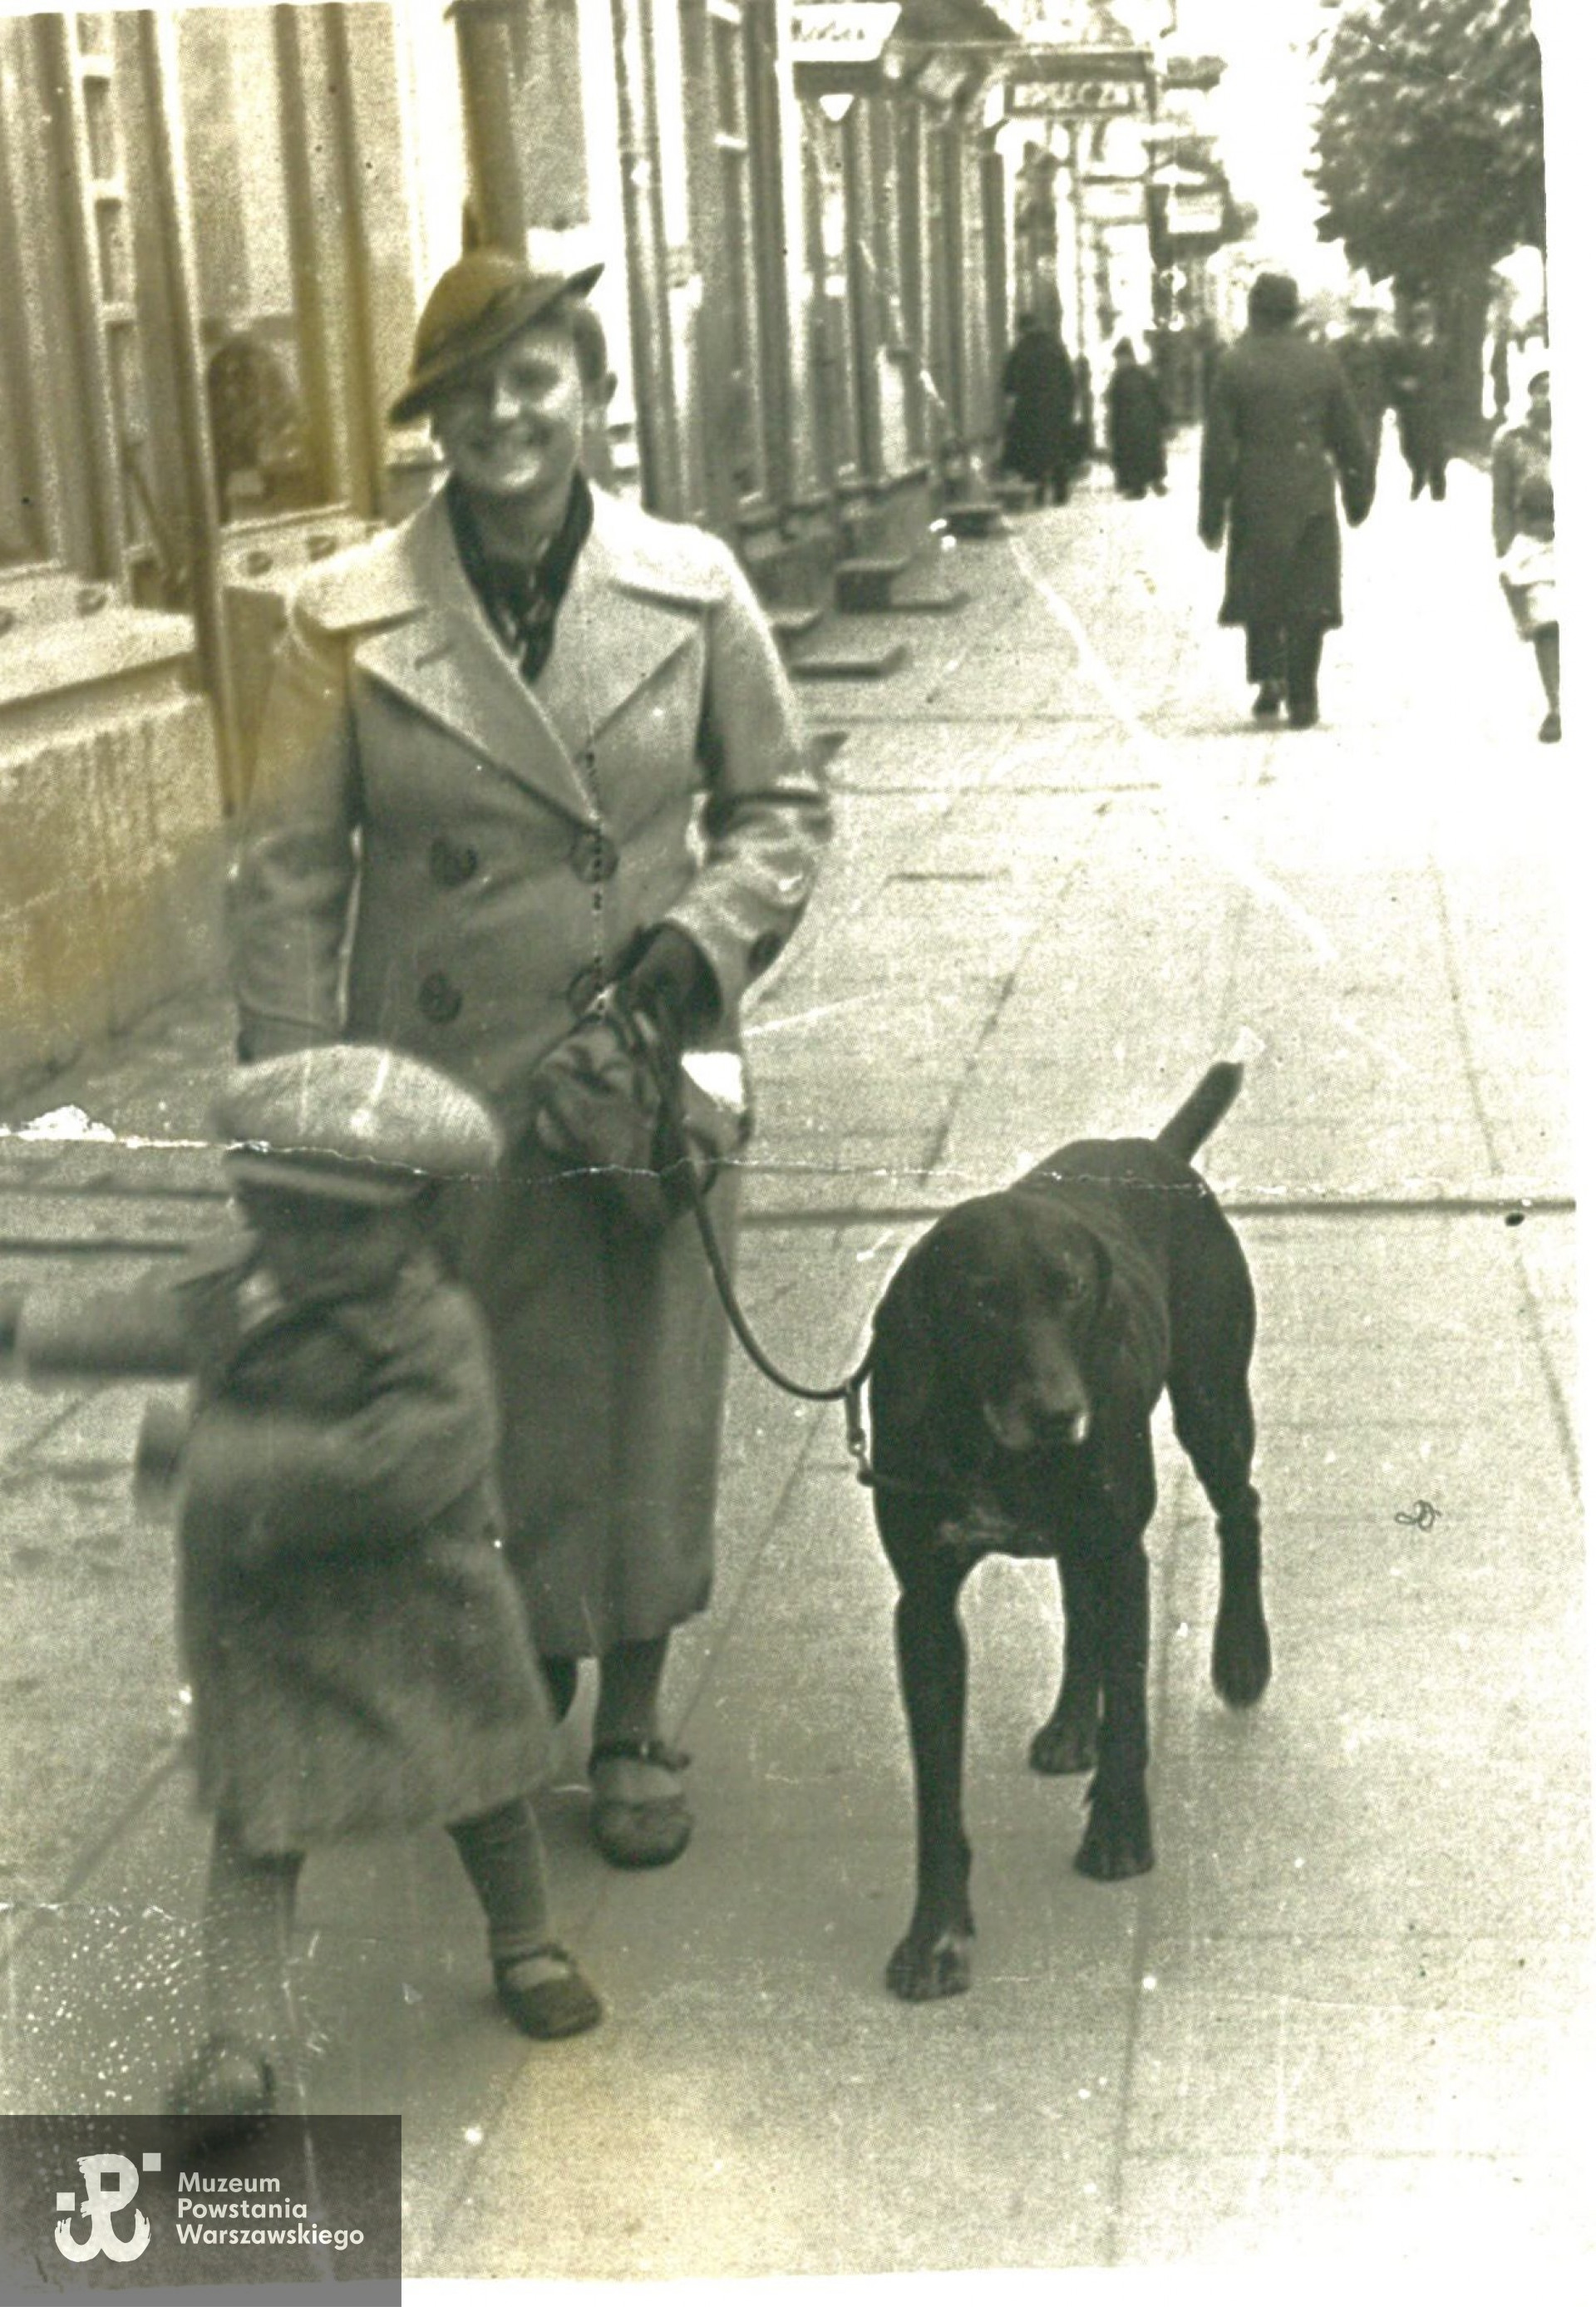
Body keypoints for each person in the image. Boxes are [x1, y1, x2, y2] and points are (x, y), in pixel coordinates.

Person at [228, 249, 831, 1874]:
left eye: (534, 378)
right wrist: (296, 1127)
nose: (503, 416)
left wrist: (702, 938)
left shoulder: (694, 584)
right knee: (471, 1406)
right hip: (438, 1097)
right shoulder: (340, 616)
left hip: (638, 1066)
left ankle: (632, 1706)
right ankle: (515, 1681)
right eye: (467, 393)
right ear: (435, 423)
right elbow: (286, 880)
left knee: (644, 1396)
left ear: (592, 395)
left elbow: (781, 809)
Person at [1, 1045, 603, 2135]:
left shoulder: (434, 1332)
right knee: (257, 1825)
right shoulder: (246, 1277)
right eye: (278, 1213)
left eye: (343, 1224)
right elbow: (157, 1318)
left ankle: (526, 1943)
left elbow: (398, 1468)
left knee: (482, 1789)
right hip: (270, 1622)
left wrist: (214, 1456)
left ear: (420, 1217)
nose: (308, 1247)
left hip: (422, 1612)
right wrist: (31, 1324)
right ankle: (239, 2046)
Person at [1199, 270, 1372, 731]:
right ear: (1294, 311)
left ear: (1254, 310)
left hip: (1255, 493)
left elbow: (1217, 447)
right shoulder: (1323, 362)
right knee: (1310, 596)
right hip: (1311, 491)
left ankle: (1268, 677)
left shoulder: (1233, 364)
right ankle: (1304, 695)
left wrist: (1211, 512)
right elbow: (1349, 437)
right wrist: (1358, 493)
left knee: (1262, 588)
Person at [1492, 365, 1559, 742]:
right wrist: (1505, 551)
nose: (1549, 397)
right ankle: (1559, 705)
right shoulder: (1510, 440)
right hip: (1534, 540)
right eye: (1541, 389)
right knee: (1548, 622)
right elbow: (1501, 503)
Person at [1001, 313, 1077, 504]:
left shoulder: (1021, 350)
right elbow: (1070, 380)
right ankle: (1061, 493)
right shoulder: (1056, 347)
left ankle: (1038, 494)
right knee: (1058, 451)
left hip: (1031, 411)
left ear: (1022, 329)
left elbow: (1009, 383)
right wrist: (1068, 406)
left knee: (1034, 455)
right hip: (1057, 410)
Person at [1387, 304, 1450, 501]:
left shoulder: (1443, 348)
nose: (1424, 328)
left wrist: (1445, 394)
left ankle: (1438, 492)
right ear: (1414, 325)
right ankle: (1418, 474)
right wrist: (1401, 384)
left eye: (1428, 322)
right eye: (1420, 323)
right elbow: (1393, 375)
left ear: (1433, 324)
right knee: (1410, 447)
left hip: (1436, 407)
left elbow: (1454, 376)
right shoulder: (1404, 348)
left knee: (1438, 451)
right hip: (1412, 408)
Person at [1334, 308, 1392, 484]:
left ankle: (1366, 490)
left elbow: (1387, 376)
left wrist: (1386, 402)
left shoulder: (1380, 348)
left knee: (1371, 453)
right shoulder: (1340, 346)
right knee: (1349, 451)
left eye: (1367, 320)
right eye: (1358, 320)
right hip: (1349, 408)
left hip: (1372, 408)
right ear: (1352, 322)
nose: (1363, 325)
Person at [1106, 338, 1167, 499]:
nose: (1118, 362)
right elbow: (1157, 396)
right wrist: (1164, 417)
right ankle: (1154, 481)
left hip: (1132, 425)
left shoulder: (1120, 378)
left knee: (1134, 455)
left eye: (1119, 359)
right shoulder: (1142, 374)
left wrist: (1112, 429)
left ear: (1127, 357)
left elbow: (1113, 402)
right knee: (1148, 453)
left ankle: (1140, 486)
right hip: (1145, 423)